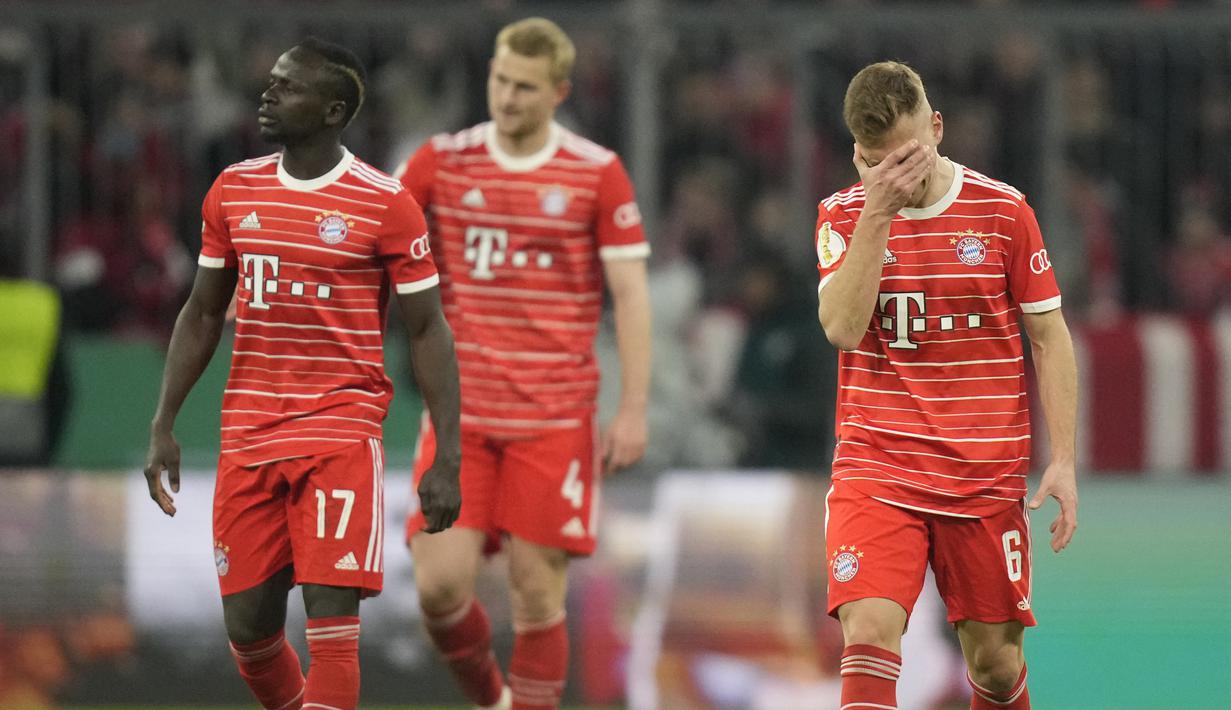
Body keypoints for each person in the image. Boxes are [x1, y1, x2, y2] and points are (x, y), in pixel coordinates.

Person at [142, 37, 462, 710]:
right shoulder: (233, 190)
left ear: (332, 111)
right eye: (271, 83)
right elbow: (201, 314)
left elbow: (428, 329)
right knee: (250, 634)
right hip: (249, 434)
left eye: (287, 87)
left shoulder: (384, 203)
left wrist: (447, 456)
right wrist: (164, 421)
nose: (267, 94)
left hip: (338, 432)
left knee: (331, 628)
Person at [394, 17, 651, 710]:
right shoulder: (442, 160)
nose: (506, 97)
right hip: (461, 415)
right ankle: (493, 700)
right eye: (500, 80)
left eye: (524, 87)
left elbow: (629, 293)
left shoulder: (594, 172)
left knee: (537, 591)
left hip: (553, 415)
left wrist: (631, 408)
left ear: (558, 92)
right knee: (438, 587)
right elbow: (369, 230)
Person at [815, 61, 1079, 710]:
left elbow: (1048, 337)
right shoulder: (841, 216)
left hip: (982, 474)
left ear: (935, 128)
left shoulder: (1003, 211)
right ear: (858, 156)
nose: (898, 174)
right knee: (869, 633)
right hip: (877, 467)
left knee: (992, 666)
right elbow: (843, 329)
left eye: (907, 156)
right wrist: (877, 211)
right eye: (880, 163)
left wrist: (1065, 461)